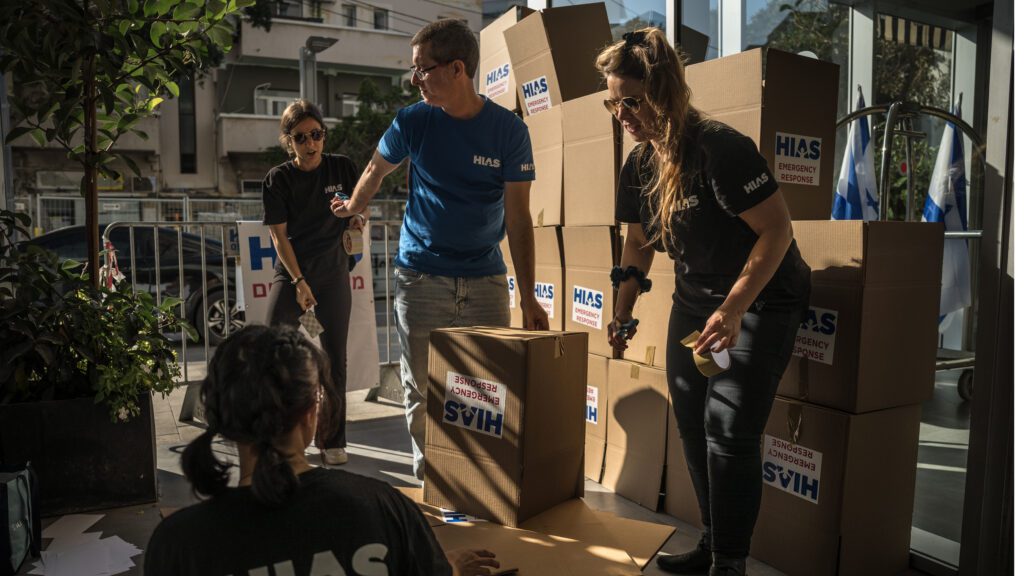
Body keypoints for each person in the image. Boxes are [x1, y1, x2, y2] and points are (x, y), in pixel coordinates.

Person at [598, 29, 811, 576]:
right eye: (611, 100)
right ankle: (712, 543)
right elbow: (637, 242)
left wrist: (735, 307)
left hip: (761, 298)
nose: (621, 112)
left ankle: (730, 565)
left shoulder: (720, 148)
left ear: (663, 92)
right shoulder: (640, 164)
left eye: (630, 100)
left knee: (730, 429)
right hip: (697, 302)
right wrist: (622, 311)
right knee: (692, 422)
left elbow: (777, 231)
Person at [331, 19, 549, 481]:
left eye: (422, 69)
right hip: (421, 276)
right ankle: (433, 484)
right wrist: (353, 205)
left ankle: (476, 485)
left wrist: (528, 296)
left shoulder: (508, 131)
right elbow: (376, 168)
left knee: (483, 393)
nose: (415, 79)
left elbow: (519, 219)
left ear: (456, 69)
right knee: (424, 392)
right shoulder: (415, 120)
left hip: (486, 279)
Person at [144, 325, 502, 576]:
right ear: (313, 411)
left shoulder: (178, 546)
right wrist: (451, 566)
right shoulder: (381, 508)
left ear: (222, 414)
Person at [263, 99, 361, 466]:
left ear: (324, 135)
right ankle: (279, 436)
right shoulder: (278, 178)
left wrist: (357, 218)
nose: (310, 143)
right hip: (292, 277)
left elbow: (356, 206)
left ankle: (333, 440)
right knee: (275, 350)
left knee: (335, 359)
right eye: (301, 137)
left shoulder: (342, 167)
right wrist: (300, 283)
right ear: (289, 141)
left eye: (316, 134)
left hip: (334, 277)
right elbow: (279, 238)